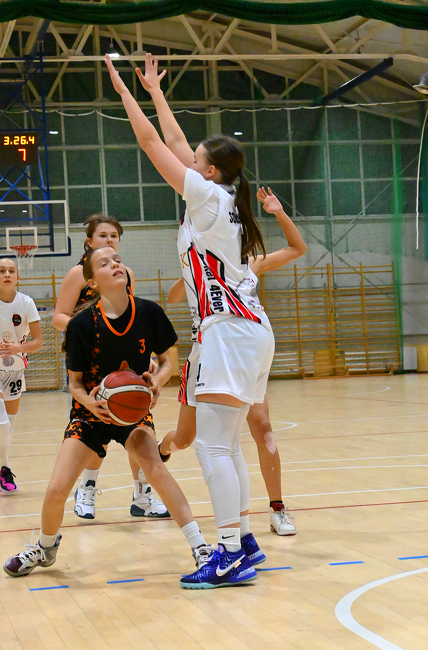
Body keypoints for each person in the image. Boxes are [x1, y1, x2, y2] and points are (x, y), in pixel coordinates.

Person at [106, 53, 276, 589]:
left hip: (229, 329)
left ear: (209, 171)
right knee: (225, 442)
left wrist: (124, 94)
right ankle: (243, 539)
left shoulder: (207, 197)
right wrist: (156, 91)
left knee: (212, 446)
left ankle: (227, 554)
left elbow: (153, 144)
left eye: (197, 157)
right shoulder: (219, 194)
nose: (188, 155)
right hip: (241, 330)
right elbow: (177, 142)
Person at [4, 246, 213, 578]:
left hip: (133, 413)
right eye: (104, 263)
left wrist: (157, 380)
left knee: (156, 470)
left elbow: (167, 363)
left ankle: (201, 547)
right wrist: (92, 403)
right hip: (90, 413)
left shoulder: (149, 312)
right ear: (92, 282)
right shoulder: (81, 325)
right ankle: (45, 548)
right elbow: (75, 384)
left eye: (118, 260)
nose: (115, 264)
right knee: (57, 489)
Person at [160, 187, 306, 536]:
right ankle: (161, 449)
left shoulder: (251, 263)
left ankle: (276, 509)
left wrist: (278, 212)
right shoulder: (201, 261)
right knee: (186, 439)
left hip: (241, 352)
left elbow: (297, 248)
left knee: (262, 429)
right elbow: (173, 296)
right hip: (208, 352)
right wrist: (195, 268)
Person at [53, 213, 169, 520]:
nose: (109, 240)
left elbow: (133, 318)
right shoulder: (79, 273)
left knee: (138, 423)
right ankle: (87, 487)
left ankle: (142, 494)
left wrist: (147, 354)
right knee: (96, 427)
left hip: (125, 365)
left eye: (114, 236)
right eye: (103, 235)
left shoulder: (125, 273)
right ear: (89, 241)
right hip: (92, 362)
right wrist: (90, 330)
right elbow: (59, 316)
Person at [0, 257, 42, 494]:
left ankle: (1, 466)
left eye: (11, 271)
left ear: (18, 276)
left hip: (15, 368)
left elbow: (38, 342)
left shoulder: (26, 302)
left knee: (8, 425)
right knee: (2, 422)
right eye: (1, 270)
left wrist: (18, 348)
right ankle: (4, 468)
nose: (7, 274)